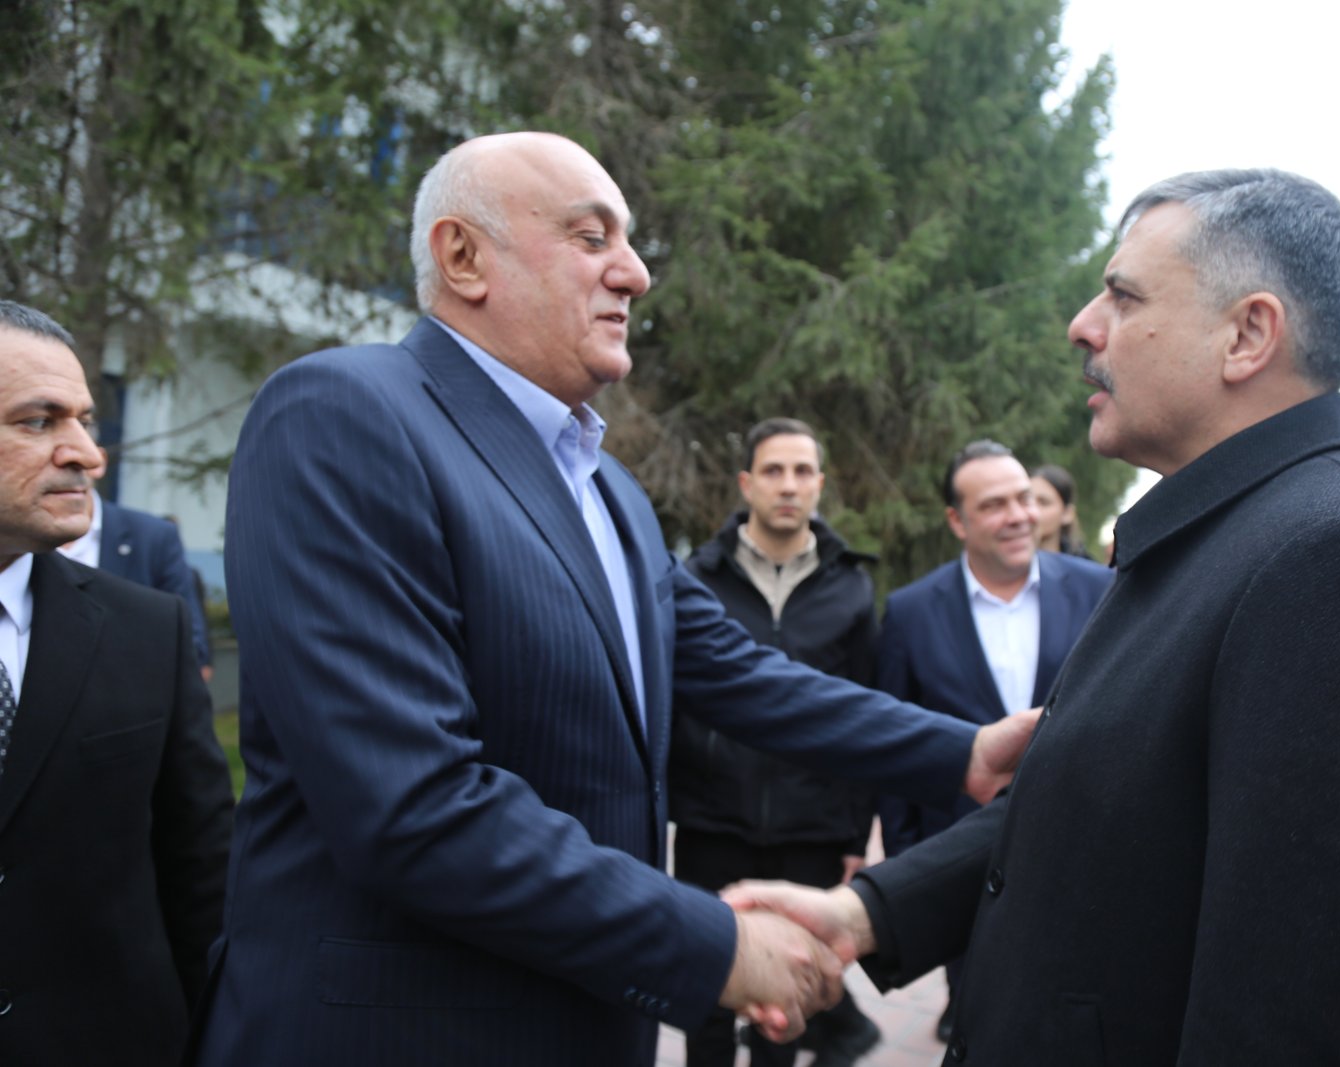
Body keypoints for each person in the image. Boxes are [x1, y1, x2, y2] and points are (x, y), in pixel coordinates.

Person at [189, 132, 1036, 1067]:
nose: (634, 274)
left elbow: (741, 675)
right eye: (592, 238)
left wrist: (963, 752)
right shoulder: (343, 415)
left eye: (629, 243)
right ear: (462, 256)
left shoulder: (609, 489)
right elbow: (411, 800)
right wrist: (718, 946)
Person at [725, 169, 1340, 1065]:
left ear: (1247, 334)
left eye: (1123, 295)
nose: (1083, 325)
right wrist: (866, 911)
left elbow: (1310, 1011)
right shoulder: (1218, 538)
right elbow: (1088, 807)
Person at [0, 300, 234, 1067]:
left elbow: (202, 875)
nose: (87, 455)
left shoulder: (148, 632)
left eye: (86, 420)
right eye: (39, 421)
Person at [876, 438, 1111, 1040]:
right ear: (957, 521)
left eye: (1025, 498)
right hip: (961, 866)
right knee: (977, 1023)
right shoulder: (910, 612)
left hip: (1079, 858)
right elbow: (898, 752)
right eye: (994, 505)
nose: (1018, 516)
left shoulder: (1101, 590)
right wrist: (909, 868)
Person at [670, 417, 884, 1067]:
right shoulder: (697, 577)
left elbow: (863, 711)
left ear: (819, 483)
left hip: (810, 828)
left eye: (801, 471)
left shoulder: (851, 585)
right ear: (746, 483)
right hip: (712, 822)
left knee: (785, 1001)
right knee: (706, 992)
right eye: (773, 470)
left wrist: (854, 834)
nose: (788, 485)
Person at [58, 462, 213, 680]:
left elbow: (189, 641)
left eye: (75, 460)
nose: (64, 461)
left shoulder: (153, 536)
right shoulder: (16, 538)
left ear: (98, 461)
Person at [1028, 463, 1091, 557]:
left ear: (1067, 513)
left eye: (1043, 503)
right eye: (1027, 500)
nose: (1032, 510)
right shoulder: (1005, 563)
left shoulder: (1084, 565)